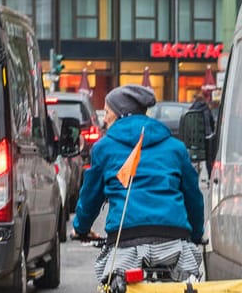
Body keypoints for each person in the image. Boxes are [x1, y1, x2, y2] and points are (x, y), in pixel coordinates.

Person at [73, 85, 205, 283]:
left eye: (107, 113)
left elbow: (90, 197)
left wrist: (81, 228)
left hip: (126, 241)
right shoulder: (176, 148)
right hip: (174, 242)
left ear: (120, 115)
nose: (104, 119)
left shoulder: (104, 148)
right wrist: (196, 234)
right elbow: (193, 197)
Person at [187, 92, 217, 177]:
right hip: (207, 136)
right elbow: (212, 122)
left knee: (195, 159)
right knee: (209, 158)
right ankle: (210, 176)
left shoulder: (191, 109)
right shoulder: (207, 108)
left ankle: (194, 176)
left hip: (195, 139)